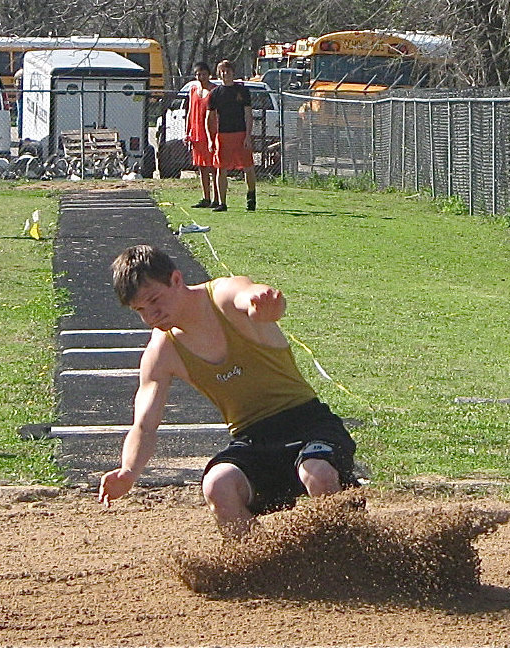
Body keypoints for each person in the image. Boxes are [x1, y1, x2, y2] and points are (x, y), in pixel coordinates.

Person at [99, 245, 359, 538]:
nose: (151, 316)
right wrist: (128, 471)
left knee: (317, 472)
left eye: (154, 300)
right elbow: (145, 425)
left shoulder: (221, 296)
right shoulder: (162, 351)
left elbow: (249, 293)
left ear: (175, 279)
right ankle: (261, 563)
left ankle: (349, 553)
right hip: (253, 437)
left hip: (308, 422)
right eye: (140, 310)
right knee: (218, 485)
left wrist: (264, 303)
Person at [205, 59, 257, 212]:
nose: (225, 74)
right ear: (218, 74)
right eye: (222, 72)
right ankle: (222, 202)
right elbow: (210, 118)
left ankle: (251, 197)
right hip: (223, 135)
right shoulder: (215, 94)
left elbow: (248, 115)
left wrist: (248, 135)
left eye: (228, 71)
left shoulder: (242, 91)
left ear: (233, 73)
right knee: (221, 169)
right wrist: (210, 138)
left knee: (248, 167)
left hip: (240, 133)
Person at [185, 62, 220, 208]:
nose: (201, 77)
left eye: (203, 74)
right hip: (197, 133)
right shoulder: (193, 90)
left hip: (211, 133)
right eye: (198, 74)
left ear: (209, 75)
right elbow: (190, 112)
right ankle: (205, 197)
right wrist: (187, 132)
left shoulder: (214, 91)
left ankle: (217, 198)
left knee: (214, 167)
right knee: (201, 167)